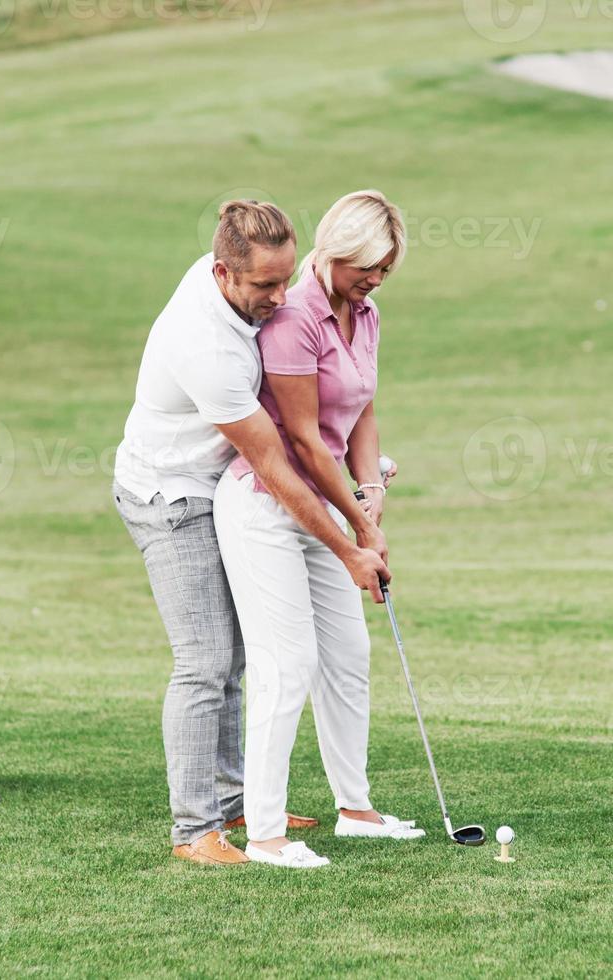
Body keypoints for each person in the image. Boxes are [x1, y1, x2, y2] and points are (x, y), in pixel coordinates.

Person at [113, 200, 391, 867]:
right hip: (168, 494)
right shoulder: (206, 345)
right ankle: (193, 829)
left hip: (216, 485)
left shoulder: (252, 290)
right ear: (222, 273)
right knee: (205, 662)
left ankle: (237, 799)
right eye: (264, 286)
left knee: (239, 654)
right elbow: (277, 464)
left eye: (285, 279)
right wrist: (350, 544)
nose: (279, 298)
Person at [213, 190, 419, 870]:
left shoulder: (367, 315)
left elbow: (361, 412)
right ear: (335, 251)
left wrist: (370, 495)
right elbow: (301, 439)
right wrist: (360, 525)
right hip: (267, 506)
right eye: (367, 265)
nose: (376, 279)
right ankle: (266, 833)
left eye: (386, 269)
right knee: (287, 662)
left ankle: (356, 809)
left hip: (327, 504)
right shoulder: (294, 316)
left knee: (348, 654)